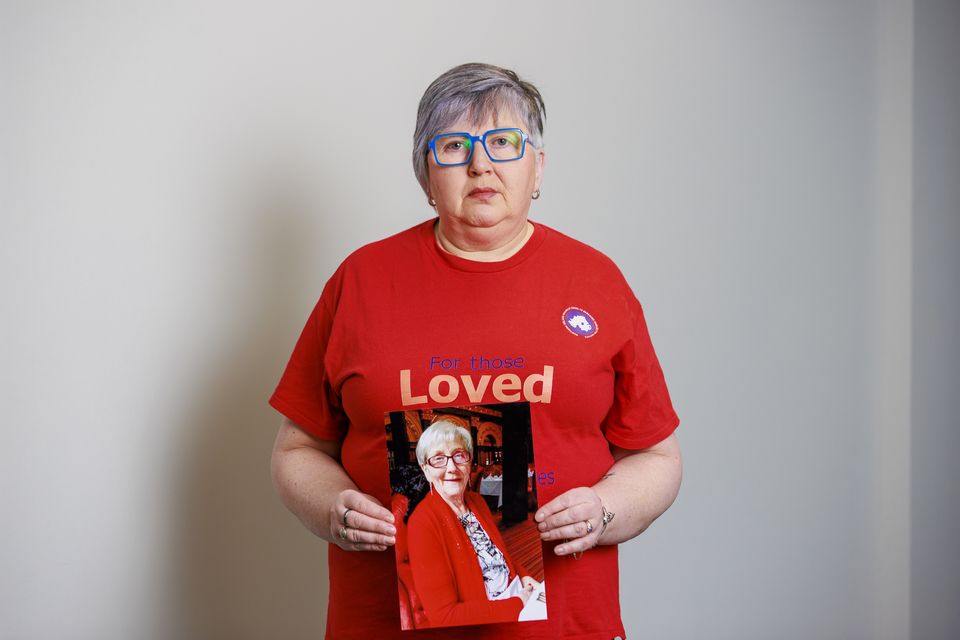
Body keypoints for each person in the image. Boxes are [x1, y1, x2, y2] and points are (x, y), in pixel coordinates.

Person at [269, 62, 682, 640]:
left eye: (504, 143)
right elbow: (297, 449)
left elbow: (658, 459)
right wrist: (333, 508)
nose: (481, 164)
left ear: (538, 166)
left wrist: (606, 511)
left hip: (566, 625)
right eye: (454, 145)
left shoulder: (596, 282)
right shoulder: (360, 281)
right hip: (384, 624)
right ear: (424, 174)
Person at [405, 421, 542, 628]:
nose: (452, 468)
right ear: (426, 470)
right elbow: (444, 617)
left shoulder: (476, 501)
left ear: (469, 463)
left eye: (459, 455)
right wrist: (518, 604)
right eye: (439, 459)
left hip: (518, 593)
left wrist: (523, 575)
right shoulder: (422, 524)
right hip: (491, 616)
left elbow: (499, 554)